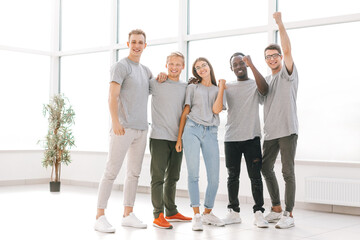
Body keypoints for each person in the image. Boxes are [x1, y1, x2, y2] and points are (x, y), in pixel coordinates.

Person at [94, 29, 153, 233]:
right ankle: (100, 215)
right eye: (134, 42)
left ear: (145, 45)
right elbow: (112, 96)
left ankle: (128, 213)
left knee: (134, 174)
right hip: (122, 128)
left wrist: (162, 76)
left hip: (141, 129)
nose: (137, 45)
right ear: (128, 44)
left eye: (140, 42)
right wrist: (115, 121)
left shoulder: (145, 71)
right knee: (111, 171)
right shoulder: (121, 66)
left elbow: (156, 89)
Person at [175, 57, 226, 231]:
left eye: (203, 65)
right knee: (193, 174)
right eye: (197, 67)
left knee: (214, 178)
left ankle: (207, 213)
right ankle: (196, 215)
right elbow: (185, 111)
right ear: (195, 72)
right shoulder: (192, 87)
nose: (201, 68)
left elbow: (217, 110)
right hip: (192, 129)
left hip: (211, 132)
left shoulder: (218, 89)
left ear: (209, 67)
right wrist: (179, 137)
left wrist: (221, 88)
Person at [261, 12, 299, 229]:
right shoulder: (266, 81)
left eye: (275, 55)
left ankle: (289, 213)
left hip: (287, 131)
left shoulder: (288, 73)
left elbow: (287, 49)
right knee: (265, 168)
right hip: (270, 133)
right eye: (268, 56)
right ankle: (275, 208)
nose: (272, 58)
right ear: (265, 60)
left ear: (280, 57)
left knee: (287, 172)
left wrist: (280, 23)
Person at [222, 53, 269, 228]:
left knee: (255, 177)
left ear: (247, 64)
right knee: (232, 177)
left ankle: (258, 213)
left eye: (242, 63)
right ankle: (234, 212)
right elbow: (218, 103)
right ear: (231, 68)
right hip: (231, 139)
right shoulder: (227, 86)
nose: (239, 66)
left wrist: (252, 64)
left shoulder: (255, 84)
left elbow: (265, 90)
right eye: (235, 64)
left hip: (252, 138)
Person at [149, 52, 192, 229]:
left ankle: (171, 211)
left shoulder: (187, 86)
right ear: (166, 65)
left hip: (178, 138)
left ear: (183, 66)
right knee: (158, 177)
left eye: (178, 64)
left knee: (173, 176)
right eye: (171, 64)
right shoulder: (156, 82)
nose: (174, 67)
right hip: (159, 137)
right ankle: (158, 215)